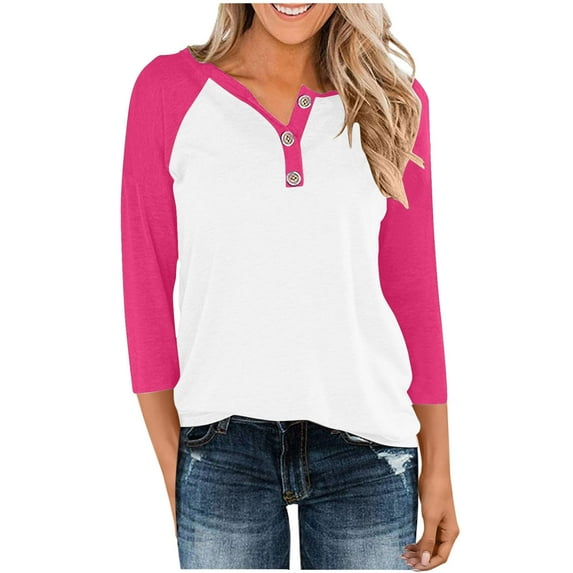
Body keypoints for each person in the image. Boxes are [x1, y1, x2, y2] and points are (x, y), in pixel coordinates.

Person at [120, 2, 459, 570]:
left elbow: (413, 289)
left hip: (370, 451)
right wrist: (174, 463)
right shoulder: (168, 91)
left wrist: (439, 467)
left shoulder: (392, 101)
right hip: (221, 449)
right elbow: (145, 287)